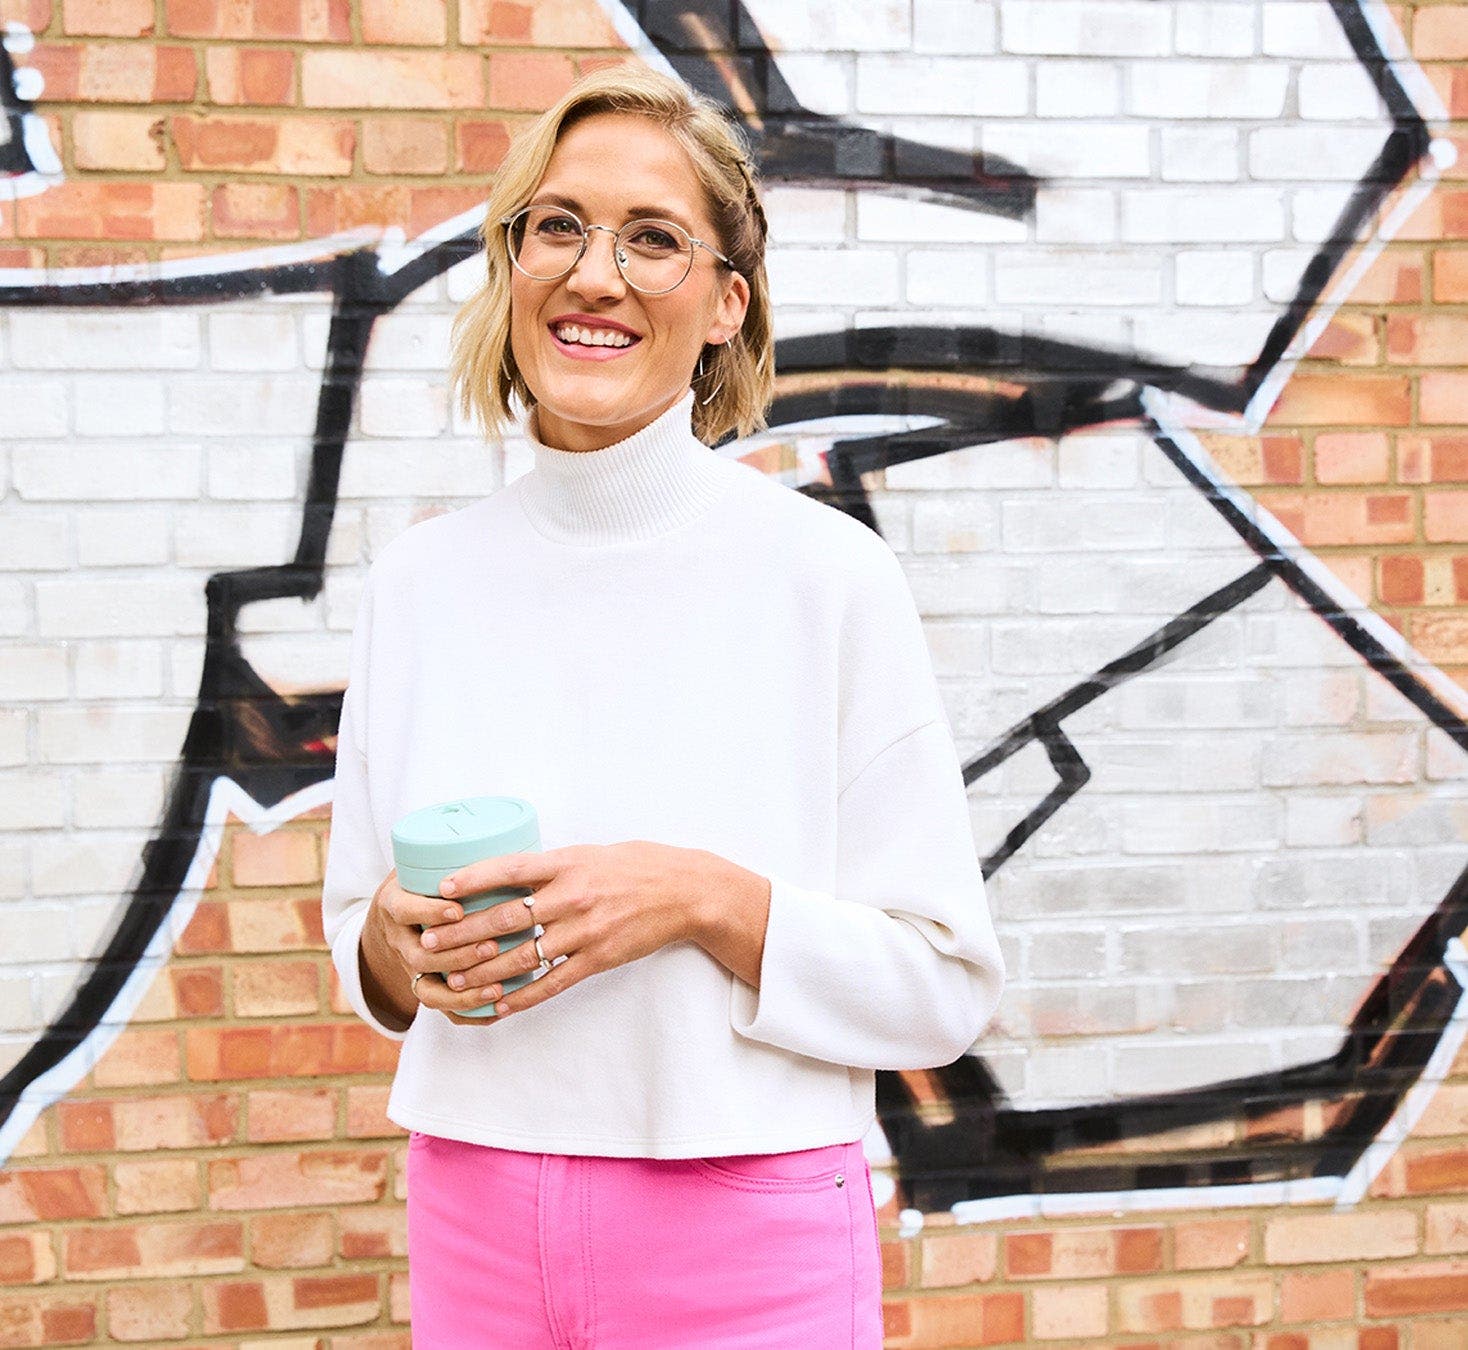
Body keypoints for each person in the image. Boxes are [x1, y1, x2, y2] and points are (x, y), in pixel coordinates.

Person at [321, 65, 1005, 1350]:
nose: (594, 273)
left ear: (723, 305)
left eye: (653, 239)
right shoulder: (417, 581)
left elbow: (942, 985)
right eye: (558, 225)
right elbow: (360, 929)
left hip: (745, 1226)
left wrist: (701, 899)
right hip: (470, 1203)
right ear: (511, 265)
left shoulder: (827, 577)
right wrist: (398, 950)